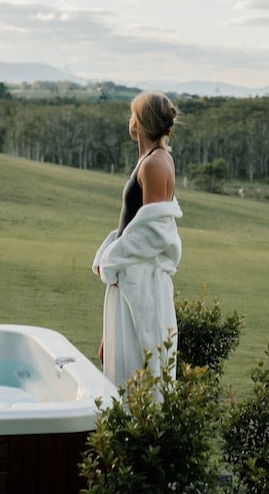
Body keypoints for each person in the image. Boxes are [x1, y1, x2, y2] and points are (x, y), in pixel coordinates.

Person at [91, 91, 182, 389]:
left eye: (132, 114)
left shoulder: (155, 163)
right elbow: (133, 224)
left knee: (142, 375)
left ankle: (142, 433)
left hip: (141, 283)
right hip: (129, 281)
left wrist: (111, 259)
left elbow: (152, 233)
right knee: (121, 366)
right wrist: (109, 250)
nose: (128, 120)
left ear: (140, 123)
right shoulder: (149, 159)